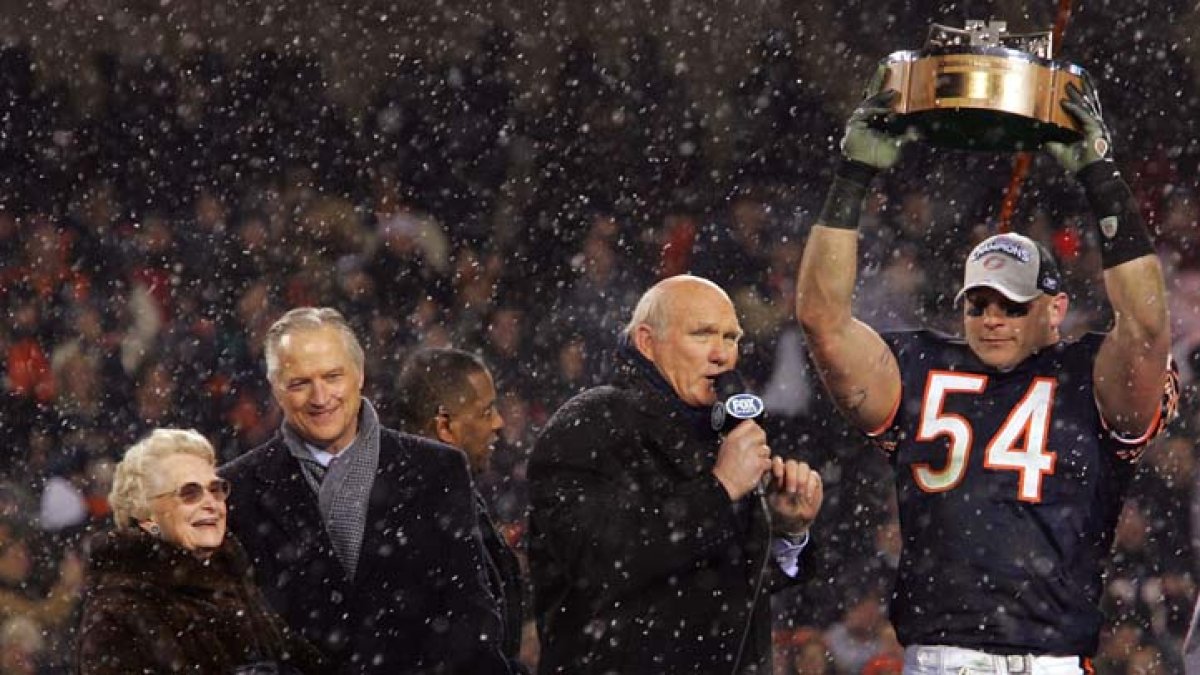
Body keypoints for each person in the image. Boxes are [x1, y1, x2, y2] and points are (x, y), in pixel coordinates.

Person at [795, 80, 1177, 673]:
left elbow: (1149, 328)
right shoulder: (920, 368)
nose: (993, 318)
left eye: (1012, 305)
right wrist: (853, 176)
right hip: (940, 657)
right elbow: (821, 321)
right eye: (979, 304)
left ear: (1053, 309)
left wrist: (1100, 177)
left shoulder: (1086, 374)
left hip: (1052, 657)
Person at [528, 274, 825, 674]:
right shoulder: (593, 420)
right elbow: (596, 561)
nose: (722, 355)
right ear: (647, 343)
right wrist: (719, 489)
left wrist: (786, 533)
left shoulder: (724, 435)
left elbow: (731, 585)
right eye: (702, 335)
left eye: (731, 338)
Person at [219, 307, 511, 673]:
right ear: (276, 389)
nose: (320, 397)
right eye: (299, 383)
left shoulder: (439, 468)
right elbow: (240, 639)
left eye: (332, 376)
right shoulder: (237, 490)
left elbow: (469, 613)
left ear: (359, 375)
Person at [76, 428, 327, 674]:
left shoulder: (235, 581)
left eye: (216, 490)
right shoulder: (117, 612)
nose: (211, 503)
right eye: (189, 493)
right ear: (146, 517)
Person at [392, 347, 528, 670]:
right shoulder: (423, 514)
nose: (499, 422)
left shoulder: (448, 497)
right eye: (486, 412)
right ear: (444, 427)